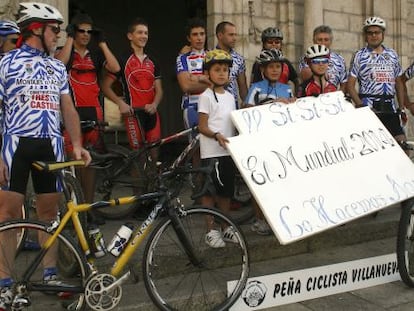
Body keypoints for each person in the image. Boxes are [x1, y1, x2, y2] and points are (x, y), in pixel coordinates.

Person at [0, 2, 91, 310]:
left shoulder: (56, 66)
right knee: (9, 214)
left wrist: (76, 143)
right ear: (36, 29)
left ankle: (50, 275)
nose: (59, 36)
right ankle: (4, 283)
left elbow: (68, 107)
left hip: (51, 143)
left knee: (49, 214)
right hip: (16, 144)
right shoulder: (6, 62)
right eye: (56, 30)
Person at [55, 13, 120, 207]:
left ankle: (88, 208)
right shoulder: (65, 51)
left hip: (93, 111)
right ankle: (74, 210)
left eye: (89, 32)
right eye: (81, 31)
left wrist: (102, 43)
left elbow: (116, 68)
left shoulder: (96, 54)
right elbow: (59, 64)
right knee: (73, 163)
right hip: (72, 113)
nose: (85, 35)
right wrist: (69, 37)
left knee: (90, 164)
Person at [244, 48, 294, 235]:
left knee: (279, 183)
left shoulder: (287, 88)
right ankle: (259, 219)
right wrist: (272, 105)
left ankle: (277, 218)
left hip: (279, 142)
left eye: (278, 67)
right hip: (259, 141)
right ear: (263, 70)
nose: (275, 70)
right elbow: (247, 109)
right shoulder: (256, 87)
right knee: (259, 183)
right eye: (270, 67)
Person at [102, 17, 163, 161]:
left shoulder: (153, 60)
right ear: (130, 36)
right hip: (133, 114)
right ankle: (137, 184)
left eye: (146, 33)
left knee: (155, 153)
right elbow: (105, 86)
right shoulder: (122, 59)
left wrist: (154, 104)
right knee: (138, 155)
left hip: (151, 112)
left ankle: (153, 183)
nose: (144, 36)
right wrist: (121, 103)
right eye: (140, 32)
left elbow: (159, 90)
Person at [198, 49, 238, 248]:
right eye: (217, 69)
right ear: (208, 73)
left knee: (226, 191)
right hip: (211, 151)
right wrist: (216, 136)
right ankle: (210, 230)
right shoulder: (205, 96)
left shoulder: (230, 97)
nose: (222, 73)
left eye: (225, 70)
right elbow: (202, 126)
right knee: (209, 192)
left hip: (227, 151)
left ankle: (225, 226)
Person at [347, 16, 406, 144]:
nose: (374, 35)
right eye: (370, 33)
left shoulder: (392, 54)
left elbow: (399, 82)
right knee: (372, 147)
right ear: (365, 35)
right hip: (369, 105)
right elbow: (350, 85)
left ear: (383, 34)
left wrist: (401, 107)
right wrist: (360, 105)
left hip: (389, 106)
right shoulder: (359, 55)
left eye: (377, 32)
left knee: (402, 145)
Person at [176, 17, 211, 131]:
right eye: (195, 35)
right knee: (195, 146)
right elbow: (186, 86)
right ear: (189, 38)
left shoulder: (214, 56)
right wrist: (209, 81)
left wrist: (194, 78)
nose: (199, 38)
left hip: (212, 106)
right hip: (192, 107)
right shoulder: (182, 58)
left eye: (202, 34)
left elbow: (223, 81)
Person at [298, 25, 347, 92]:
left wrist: (337, 97)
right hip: (312, 96)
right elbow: (304, 76)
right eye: (320, 40)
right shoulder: (307, 57)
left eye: (326, 40)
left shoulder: (339, 59)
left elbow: (344, 84)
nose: (323, 43)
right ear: (314, 41)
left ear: (331, 41)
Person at [250, 27, 299, 93]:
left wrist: (297, 96)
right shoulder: (258, 63)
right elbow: (253, 84)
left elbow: (296, 80)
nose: (274, 44)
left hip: (283, 98)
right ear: (264, 44)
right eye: (270, 42)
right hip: (264, 99)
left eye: (277, 42)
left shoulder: (286, 62)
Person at [215, 21, 248, 108]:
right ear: (220, 35)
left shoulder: (239, 59)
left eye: (235, 35)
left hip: (232, 106)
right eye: (231, 35)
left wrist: (247, 104)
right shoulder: (208, 56)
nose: (234, 38)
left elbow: (243, 87)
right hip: (214, 104)